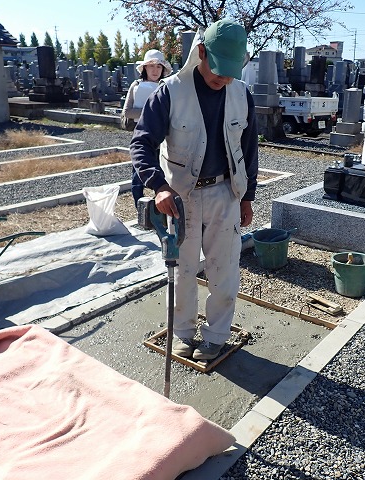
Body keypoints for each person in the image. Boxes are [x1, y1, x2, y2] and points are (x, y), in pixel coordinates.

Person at [130, 19, 258, 361]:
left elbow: (249, 148)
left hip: (225, 194)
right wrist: (157, 186)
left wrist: (247, 197)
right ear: (200, 53)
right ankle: (183, 333)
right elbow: (142, 144)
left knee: (224, 269)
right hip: (179, 198)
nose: (224, 79)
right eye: (218, 70)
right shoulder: (170, 91)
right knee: (183, 269)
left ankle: (216, 336)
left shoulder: (242, 93)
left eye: (231, 72)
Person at [121, 49, 172, 207]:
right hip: (143, 135)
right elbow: (127, 111)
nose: (155, 70)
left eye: (158, 67)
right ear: (144, 68)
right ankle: (140, 209)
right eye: (151, 66)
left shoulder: (168, 86)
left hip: (164, 138)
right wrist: (151, 111)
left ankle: (163, 209)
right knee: (139, 173)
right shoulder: (136, 85)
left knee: (164, 172)